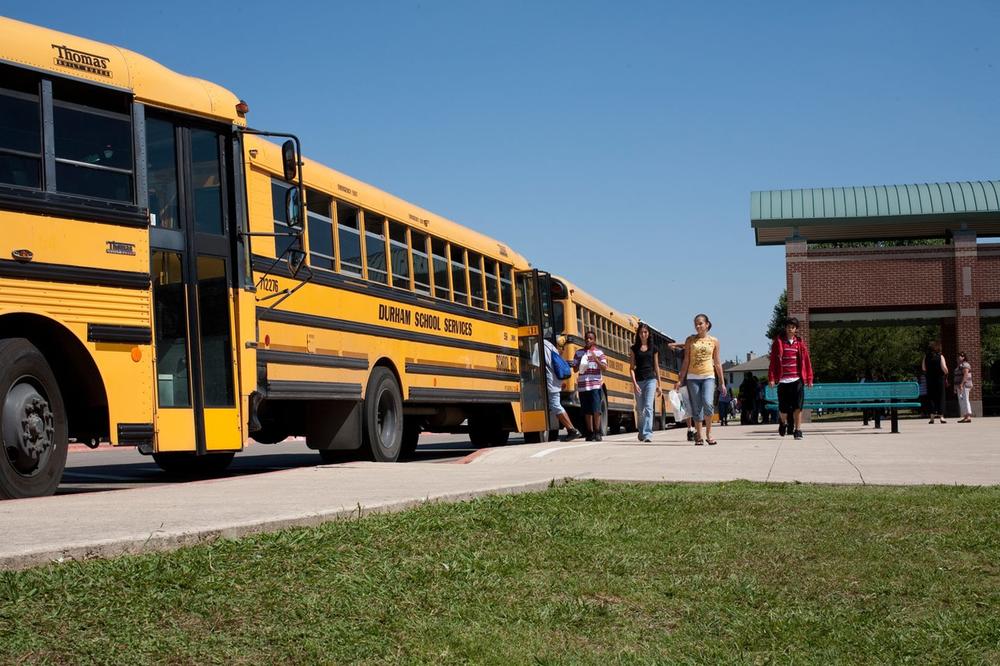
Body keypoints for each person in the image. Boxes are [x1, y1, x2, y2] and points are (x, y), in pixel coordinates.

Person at [677, 314, 726, 445]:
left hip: (708, 376)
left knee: (708, 403)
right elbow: (686, 360)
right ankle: (699, 435)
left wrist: (722, 382)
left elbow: (717, 362)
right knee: (697, 407)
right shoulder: (690, 340)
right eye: (696, 324)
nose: (698, 326)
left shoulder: (714, 341)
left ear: (707, 324)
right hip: (692, 377)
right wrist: (680, 379)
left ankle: (709, 434)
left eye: (700, 323)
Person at [767, 317, 814, 440]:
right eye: (788, 326)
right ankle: (783, 422)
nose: (790, 329)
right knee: (783, 409)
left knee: (798, 406)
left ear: (796, 329)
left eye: (792, 327)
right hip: (783, 381)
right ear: (785, 328)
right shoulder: (778, 343)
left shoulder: (800, 344)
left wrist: (809, 378)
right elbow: (772, 362)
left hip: (797, 380)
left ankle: (798, 430)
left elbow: (806, 362)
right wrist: (771, 378)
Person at [543, 338, 581, 442]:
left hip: (550, 382)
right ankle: (571, 430)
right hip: (555, 381)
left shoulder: (540, 345)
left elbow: (536, 364)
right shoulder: (550, 346)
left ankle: (572, 430)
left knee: (555, 405)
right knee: (554, 405)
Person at [573, 330, 608, 441]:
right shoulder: (579, 353)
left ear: (594, 340)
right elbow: (574, 369)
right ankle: (590, 432)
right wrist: (580, 362)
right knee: (587, 410)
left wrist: (596, 359)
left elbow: (604, 367)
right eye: (587, 338)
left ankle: (597, 431)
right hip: (583, 385)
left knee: (596, 409)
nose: (588, 340)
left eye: (590, 338)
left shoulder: (599, 353)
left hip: (595, 385)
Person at [629, 323, 661, 442]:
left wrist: (659, 384)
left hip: (651, 380)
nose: (643, 334)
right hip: (639, 381)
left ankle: (648, 434)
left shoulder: (654, 349)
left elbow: (656, 367)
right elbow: (631, 368)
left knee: (648, 407)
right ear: (638, 334)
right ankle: (641, 431)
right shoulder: (634, 349)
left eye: (645, 332)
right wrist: (634, 383)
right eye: (641, 332)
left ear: (648, 334)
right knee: (640, 409)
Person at [922, 341, 948, 424]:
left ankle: (932, 417)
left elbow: (924, 368)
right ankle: (941, 417)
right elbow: (944, 368)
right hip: (939, 379)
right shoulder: (940, 356)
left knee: (931, 397)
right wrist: (946, 372)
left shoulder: (926, 357)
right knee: (941, 397)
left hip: (930, 379)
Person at [954, 352, 973, 423]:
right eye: (958, 356)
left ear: (964, 357)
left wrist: (962, 384)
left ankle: (968, 416)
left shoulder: (965, 364)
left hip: (964, 386)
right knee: (961, 401)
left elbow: (966, 375)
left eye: (960, 356)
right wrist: (955, 387)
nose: (958, 357)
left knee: (965, 400)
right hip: (959, 386)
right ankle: (965, 416)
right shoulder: (960, 365)